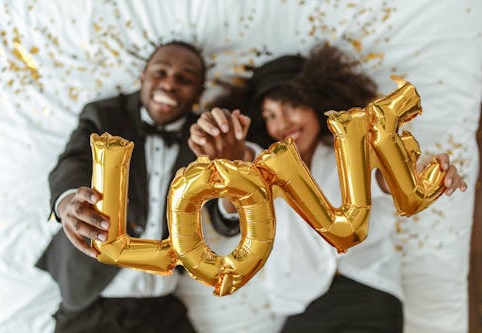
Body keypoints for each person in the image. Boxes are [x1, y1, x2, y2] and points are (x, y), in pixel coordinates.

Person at [188, 43, 467, 333]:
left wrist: (424, 172)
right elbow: (233, 203)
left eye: (291, 107)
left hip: (366, 290)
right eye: (270, 115)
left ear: (315, 104)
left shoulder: (350, 150)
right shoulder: (261, 161)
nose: (282, 123)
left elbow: (386, 177)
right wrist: (226, 160)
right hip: (300, 302)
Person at [36, 41, 235, 333]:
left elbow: (223, 218)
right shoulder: (104, 115)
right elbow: (72, 163)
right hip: (92, 299)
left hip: (161, 304)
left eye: (185, 79)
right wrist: (68, 204)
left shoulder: (205, 138)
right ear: (142, 76)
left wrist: (232, 175)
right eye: (161, 72)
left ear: (199, 92)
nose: (169, 84)